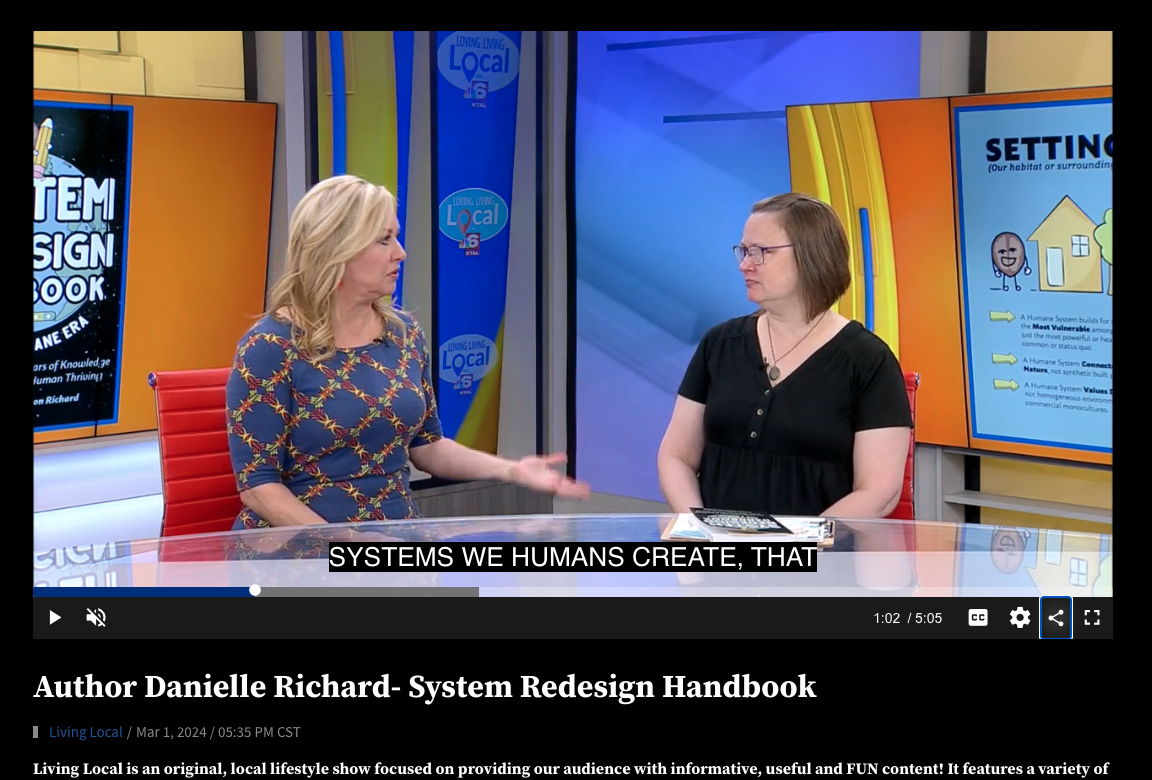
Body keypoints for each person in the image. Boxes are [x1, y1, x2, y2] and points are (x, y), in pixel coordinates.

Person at [225, 175, 588, 529]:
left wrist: (512, 469)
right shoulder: (270, 346)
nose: (401, 253)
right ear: (337, 249)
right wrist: (348, 549)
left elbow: (427, 446)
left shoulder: (403, 333)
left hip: (395, 536)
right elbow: (259, 487)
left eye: (396, 237)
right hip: (301, 549)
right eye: (384, 240)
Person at [656, 192, 912, 520]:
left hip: (819, 550)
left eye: (761, 252)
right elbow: (676, 456)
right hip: (717, 548)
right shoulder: (719, 344)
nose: (745, 265)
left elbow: (879, 492)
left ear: (812, 255)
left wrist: (792, 543)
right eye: (744, 251)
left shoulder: (868, 361)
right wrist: (699, 527)